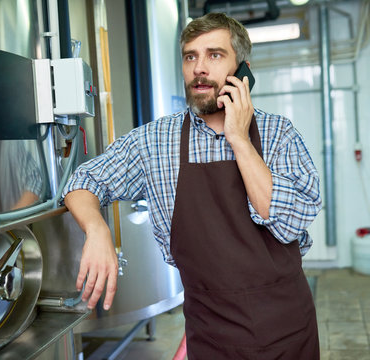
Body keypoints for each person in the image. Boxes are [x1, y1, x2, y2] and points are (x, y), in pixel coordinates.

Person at [63, 12, 322, 359]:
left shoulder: (279, 134)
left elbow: (288, 221)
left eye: (214, 55)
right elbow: (83, 180)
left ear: (242, 70)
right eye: (190, 56)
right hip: (210, 335)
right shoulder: (154, 141)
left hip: (287, 332)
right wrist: (96, 230)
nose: (199, 68)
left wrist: (239, 139)